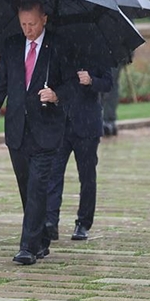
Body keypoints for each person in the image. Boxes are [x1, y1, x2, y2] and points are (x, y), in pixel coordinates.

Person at [0, 0, 72, 265]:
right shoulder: (11, 46)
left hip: (47, 130)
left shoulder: (59, 46)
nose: (28, 30)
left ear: (44, 19)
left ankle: (27, 247)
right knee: (26, 187)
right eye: (23, 24)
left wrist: (56, 94)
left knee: (37, 187)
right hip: (17, 130)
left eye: (32, 24)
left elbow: (73, 84)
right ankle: (41, 239)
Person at [46, 59, 111, 242]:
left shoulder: (98, 52)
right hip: (60, 124)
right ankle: (51, 222)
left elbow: (108, 84)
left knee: (87, 177)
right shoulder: (57, 51)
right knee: (53, 174)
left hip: (87, 126)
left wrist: (92, 81)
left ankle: (83, 223)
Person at [98, 0, 126, 137]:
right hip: (107, 52)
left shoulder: (119, 1)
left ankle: (107, 119)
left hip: (113, 52)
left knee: (108, 86)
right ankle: (106, 120)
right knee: (108, 86)